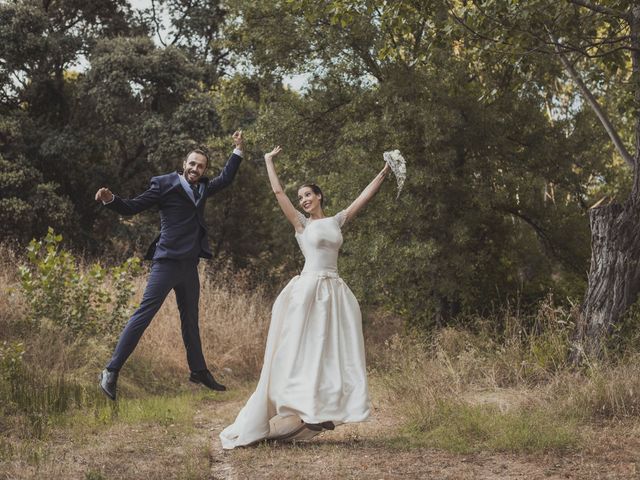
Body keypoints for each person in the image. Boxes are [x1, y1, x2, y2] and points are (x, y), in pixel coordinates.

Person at [220, 145, 390, 449]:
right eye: (300, 198)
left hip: (334, 292)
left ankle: (323, 409)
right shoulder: (301, 225)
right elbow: (278, 193)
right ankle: (301, 408)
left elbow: (363, 198)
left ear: (319, 196)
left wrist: (384, 171)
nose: (304, 200)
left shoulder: (336, 221)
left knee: (330, 354)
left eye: (308, 195)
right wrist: (268, 161)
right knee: (304, 351)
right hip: (309, 291)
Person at [95, 131, 245, 400]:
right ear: (184, 163)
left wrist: (237, 150)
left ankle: (198, 371)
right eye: (192, 163)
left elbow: (226, 178)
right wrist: (110, 200)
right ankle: (111, 370)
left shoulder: (203, 188)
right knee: (143, 315)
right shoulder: (164, 185)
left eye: (200, 166)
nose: (195, 169)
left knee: (191, 320)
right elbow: (132, 207)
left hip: (189, 266)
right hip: (166, 263)